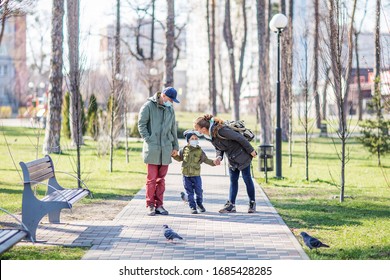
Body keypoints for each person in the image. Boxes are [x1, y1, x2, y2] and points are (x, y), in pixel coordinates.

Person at [194, 114, 257, 213]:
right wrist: (219, 156)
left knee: (247, 179)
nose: (198, 132)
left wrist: (251, 150)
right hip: (231, 158)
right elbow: (218, 147)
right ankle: (231, 205)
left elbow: (239, 138)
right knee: (233, 181)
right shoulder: (209, 136)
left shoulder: (221, 130)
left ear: (204, 128)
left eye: (198, 129)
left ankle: (252, 203)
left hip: (242, 155)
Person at [138, 87, 180, 216]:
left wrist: (175, 146)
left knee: (161, 180)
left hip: (166, 148)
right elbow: (141, 124)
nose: (171, 102)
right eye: (170, 99)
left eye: (173, 100)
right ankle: (150, 205)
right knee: (151, 179)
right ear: (163, 95)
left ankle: (159, 205)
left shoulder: (170, 109)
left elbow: (173, 129)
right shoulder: (148, 106)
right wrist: (149, 139)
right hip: (153, 148)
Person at [173, 130, 217, 214]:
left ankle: (199, 204)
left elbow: (206, 160)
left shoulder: (200, 151)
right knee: (190, 192)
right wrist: (174, 156)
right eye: (192, 138)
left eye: (196, 138)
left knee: (199, 191)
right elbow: (180, 159)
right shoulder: (184, 150)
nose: (194, 140)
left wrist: (213, 163)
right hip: (186, 175)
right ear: (188, 141)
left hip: (196, 175)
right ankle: (192, 207)